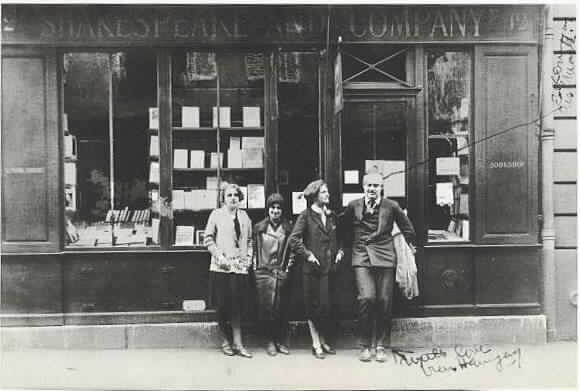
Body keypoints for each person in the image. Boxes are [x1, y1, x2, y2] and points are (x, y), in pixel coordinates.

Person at [342, 172, 416, 363]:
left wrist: (410, 245)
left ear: (381, 187)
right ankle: (365, 345)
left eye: (376, 185)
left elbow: (407, 227)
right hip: (362, 255)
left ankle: (381, 345)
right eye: (369, 185)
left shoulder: (391, 206)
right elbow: (343, 227)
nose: (372, 189)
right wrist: (342, 248)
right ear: (363, 187)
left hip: (385, 255)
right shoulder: (353, 206)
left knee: (384, 301)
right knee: (367, 298)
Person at [288, 179, 344, 359]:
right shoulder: (305, 216)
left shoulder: (332, 215)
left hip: (330, 270)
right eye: (324, 192)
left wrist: (340, 251)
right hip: (313, 270)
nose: (328, 194)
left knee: (326, 307)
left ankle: (323, 339)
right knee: (313, 307)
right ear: (314, 196)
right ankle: (316, 343)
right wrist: (308, 255)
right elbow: (294, 240)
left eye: (327, 192)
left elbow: (341, 238)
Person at [204, 182, 253, 358]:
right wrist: (219, 257)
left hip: (239, 269)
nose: (233, 198)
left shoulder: (245, 217)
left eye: (235, 195)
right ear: (223, 199)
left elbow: (249, 241)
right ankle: (226, 341)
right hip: (221, 268)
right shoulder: (216, 215)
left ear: (240, 198)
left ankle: (238, 344)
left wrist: (248, 258)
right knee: (222, 306)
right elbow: (208, 239)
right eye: (229, 195)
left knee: (237, 307)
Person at [252, 193, 294, 356]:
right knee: (266, 309)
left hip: (280, 271)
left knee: (281, 308)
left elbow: (292, 252)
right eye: (272, 208)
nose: (275, 211)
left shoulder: (288, 228)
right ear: (268, 209)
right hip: (264, 272)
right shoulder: (259, 228)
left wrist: (287, 269)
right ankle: (269, 341)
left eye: (278, 208)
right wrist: (257, 269)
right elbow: (254, 250)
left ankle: (280, 341)